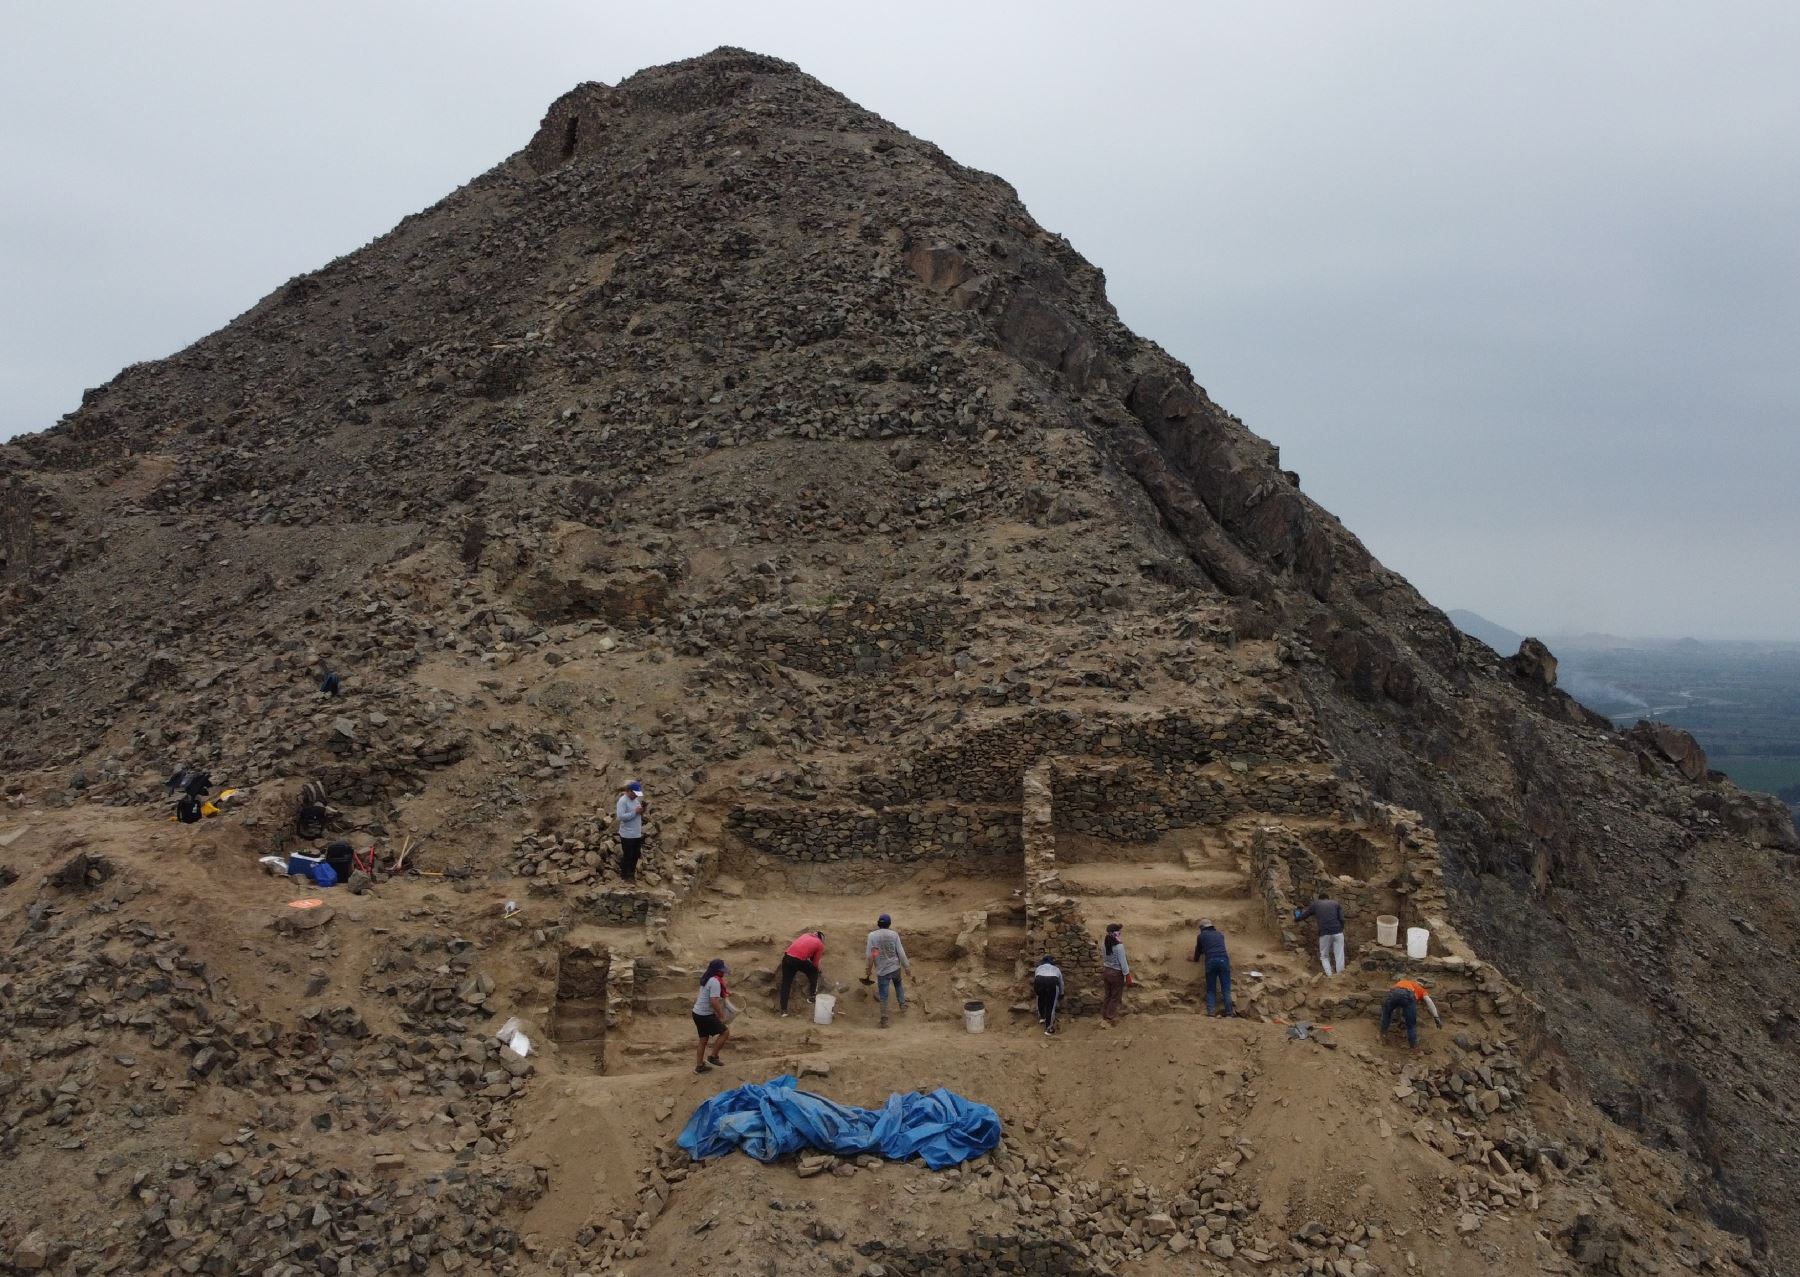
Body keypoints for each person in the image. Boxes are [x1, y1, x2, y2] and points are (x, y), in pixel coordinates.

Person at [864, 914, 912, 1028]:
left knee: (883, 995)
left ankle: (884, 1020)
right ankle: (903, 1005)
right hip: (895, 967)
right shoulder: (894, 935)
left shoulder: (872, 936)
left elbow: (871, 954)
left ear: (878, 923)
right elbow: (900, 952)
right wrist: (907, 967)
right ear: (889, 924)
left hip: (882, 970)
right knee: (898, 984)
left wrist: (868, 969)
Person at [692, 959, 733, 1073]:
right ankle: (713, 1057)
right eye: (721, 970)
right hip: (705, 1014)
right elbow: (713, 1001)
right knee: (725, 1032)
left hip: (697, 1012)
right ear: (717, 971)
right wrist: (721, 1015)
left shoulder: (707, 978)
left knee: (703, 1039)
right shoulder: (714, 982)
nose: (723, 972)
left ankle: (699, 1066)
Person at [1379, 976, 1443, 1048]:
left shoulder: (1404, 981)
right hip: (1408, 994)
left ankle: (1383, 1035)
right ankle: (1413, 1045)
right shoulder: (1422, 990)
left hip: (1394, 992)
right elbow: (1428, 1001)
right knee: (1411, 1024)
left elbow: (1398, 998)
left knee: (1386, 1014)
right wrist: (1436, 1017)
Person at [1190, 918, 1234, 1017]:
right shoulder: (1220, 934)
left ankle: (1211, 1012)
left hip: (1210, 960)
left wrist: (1194, 959)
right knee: (1226, 989)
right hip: (1223, 959)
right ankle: (1229, 1013)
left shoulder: (1201, 936)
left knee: (1211, 989)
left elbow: (1198, 951)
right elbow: (1216, 946)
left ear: (1202, 928)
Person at [1297, 892, 1348, 976]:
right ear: (1328, 898)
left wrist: (1297, 919)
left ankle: (1330, 975)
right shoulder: (1336, 903)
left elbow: (1305, 915)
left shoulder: (1316, 904)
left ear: (1319, 899)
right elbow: (1342, 919)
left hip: (1325, 933)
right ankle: (1340, 975)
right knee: (1339, 954)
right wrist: (1341, 928)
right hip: (1338, 932)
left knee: (1324, 956)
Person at [779, 930, 825, 1015]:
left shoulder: (805, 935)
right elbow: (815, 963)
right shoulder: (820, 944)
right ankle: (812, 996)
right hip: (798, 960)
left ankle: (783, 1010)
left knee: (786, 984)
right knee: (814, 972)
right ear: (821, 939)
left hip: (787, 958)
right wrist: (818, 969)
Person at [1101, 923, 1132, 1025]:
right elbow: (1123, 962)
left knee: (1108, 994)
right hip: (1116, 973)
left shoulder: (1104, 944)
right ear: (1116, 933)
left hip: (1106, 971)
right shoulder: (1119, 946)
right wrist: (1127, 975)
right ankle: (1110, 1016)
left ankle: (1104, 1014)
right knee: (1115, 996)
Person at [615, 781, 647, 881]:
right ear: (629, 791)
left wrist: (643, 810)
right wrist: (635, 812)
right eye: (635, 793)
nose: (636, 796)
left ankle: (631, 874)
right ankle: (624, 875)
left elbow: (639, 813)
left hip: (636, 833)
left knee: (636, 854)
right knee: (628, 855)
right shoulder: (622, 801)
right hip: (627, 834)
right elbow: (621, 817)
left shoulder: (636, 799)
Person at [1032, 955, 1065, 1035]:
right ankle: (1048, 1029)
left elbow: (1035, 978)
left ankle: (1042, 1017)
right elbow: (1061, 982)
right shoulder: (1056, 969)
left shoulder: (1039, 968)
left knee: (1040, 998)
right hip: (1052, 982)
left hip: (1039, 981)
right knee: (1051, 1006)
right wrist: (1061, 993)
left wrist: (1037, 991)